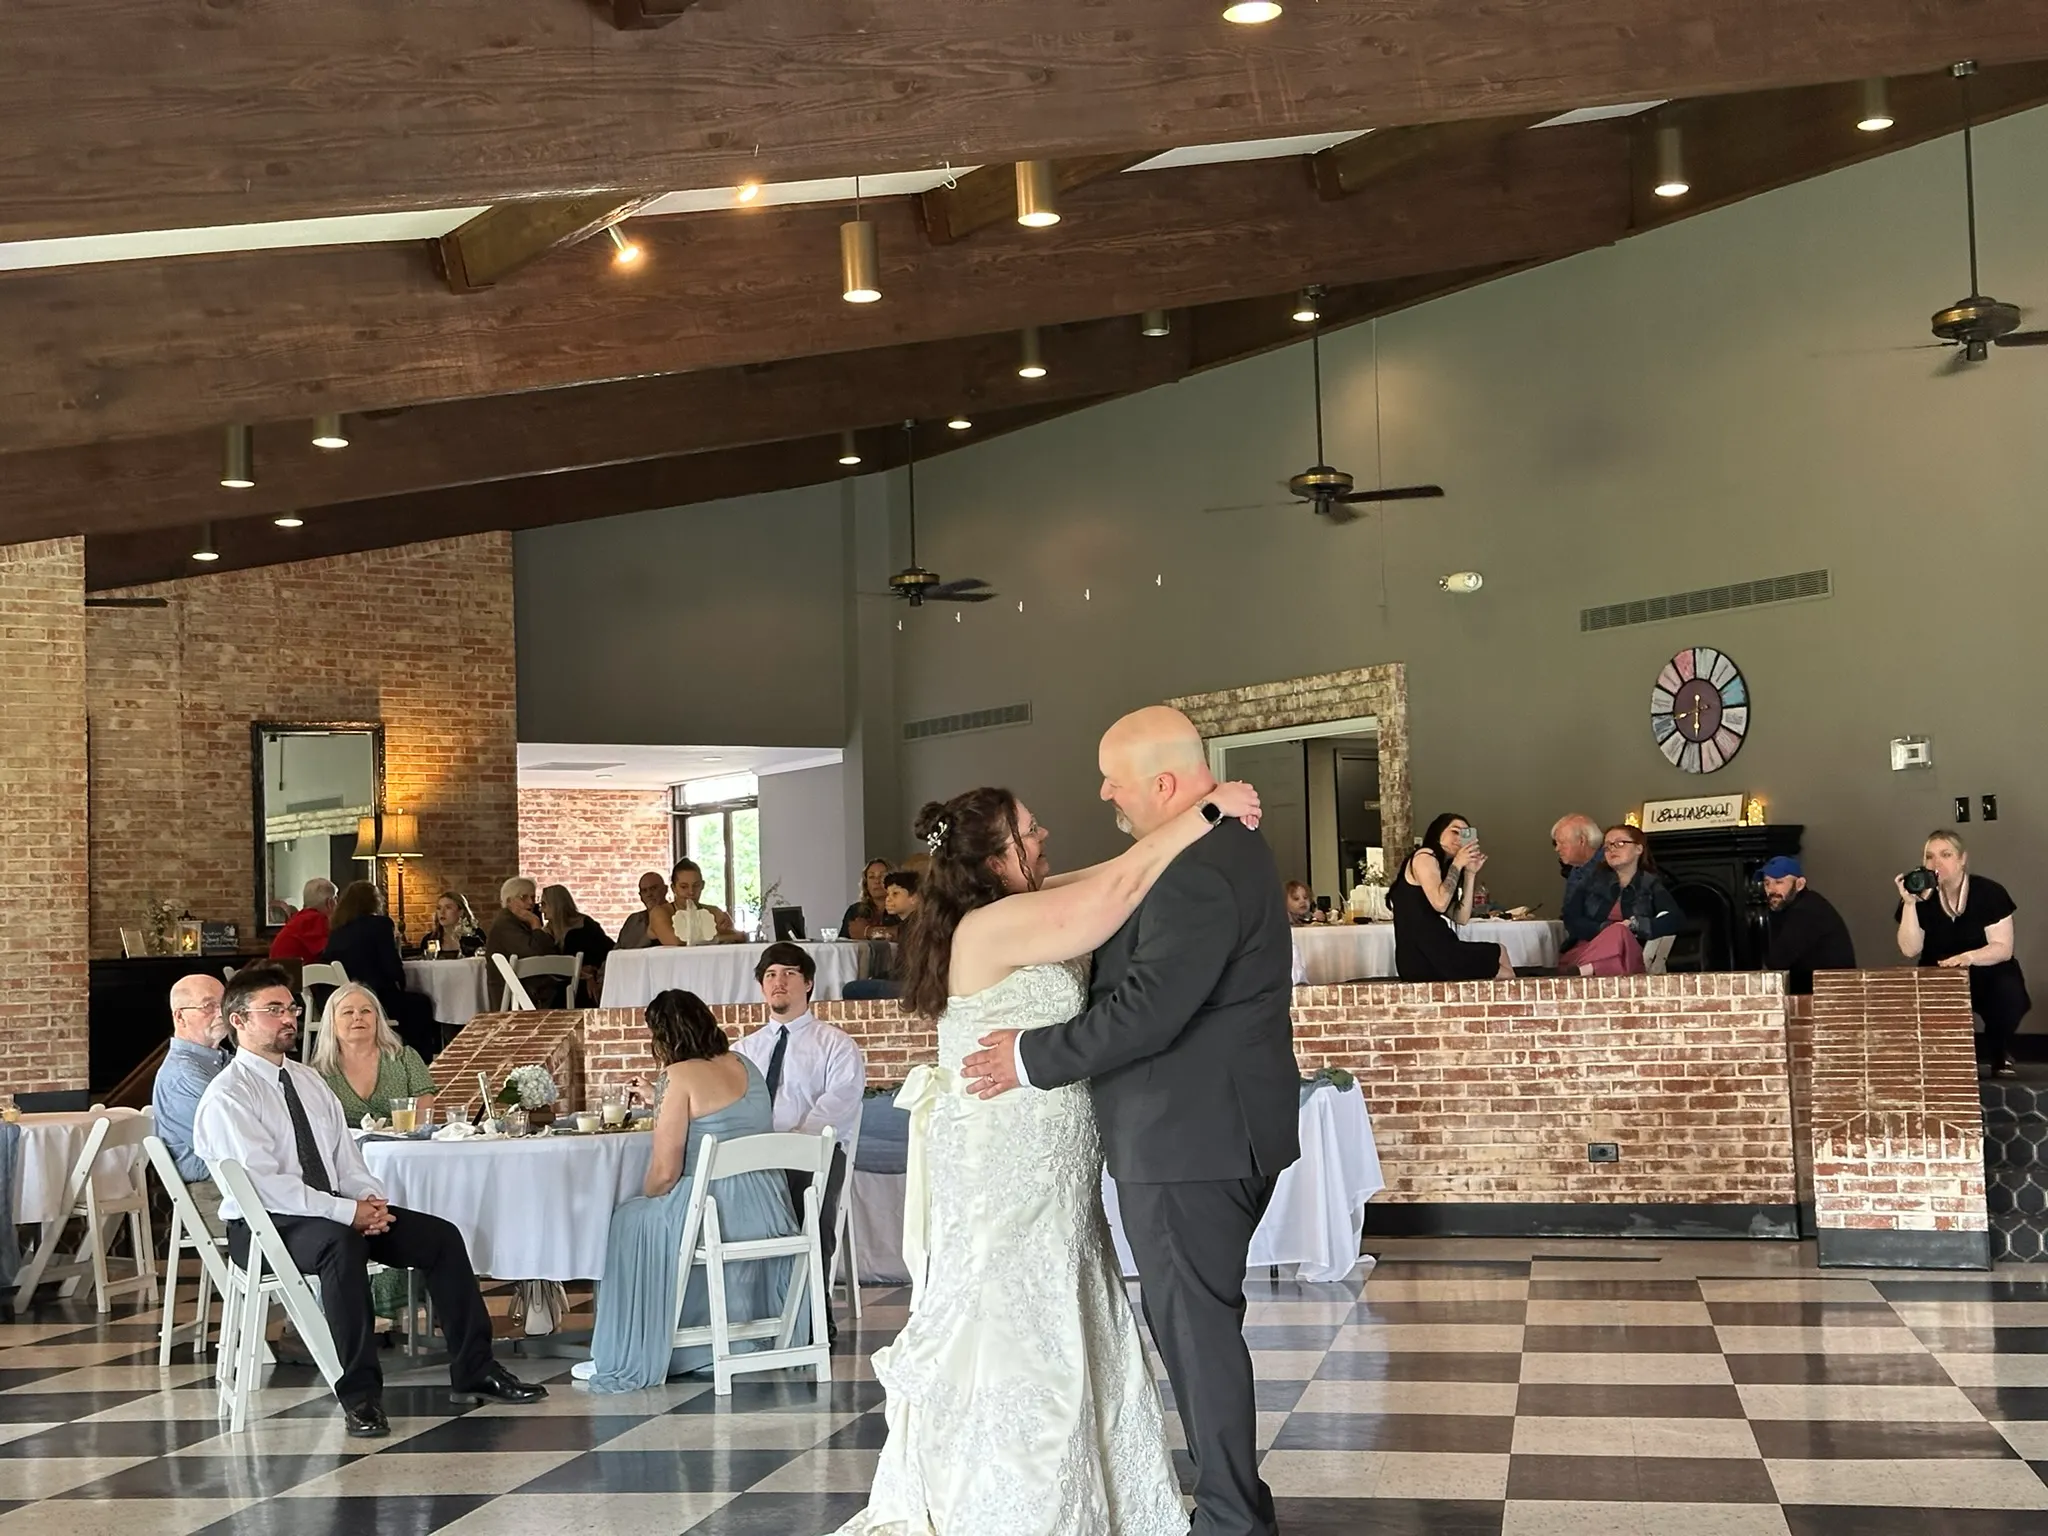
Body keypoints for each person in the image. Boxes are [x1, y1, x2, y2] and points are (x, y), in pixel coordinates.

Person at [854, 705, 1279, 1536]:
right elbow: (1120, 887)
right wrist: (1204, 809)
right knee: (1016, 1319)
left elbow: (1115, 873)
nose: (1049, 832)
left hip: (1069, 1151)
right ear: (995, 859)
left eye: (1112, 781)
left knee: (1085, 1311)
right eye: (1029, 831)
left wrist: (1202, 813)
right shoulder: (998, 922)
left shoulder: (1027, 897)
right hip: (1011, 1150)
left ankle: (1188, 1505)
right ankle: (1008, 1499)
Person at [191, 964, 544, 1437]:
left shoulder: (308, 1081)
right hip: (263, 1226)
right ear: (239, 1021)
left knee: (439, 1237)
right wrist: (346, 1213)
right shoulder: (228, 1095)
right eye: (273, 1011)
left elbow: (344, 1156)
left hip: (330, 1212)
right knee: (342, 1244)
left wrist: (368, 1201)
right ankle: (360, 1397)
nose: (289, 1019)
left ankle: (475, 1368)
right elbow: (265, 1186)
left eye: (291, 1008)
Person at [573, 990, 804, 1390]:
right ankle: (725, 1335)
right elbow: (722, 1114)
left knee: (628, 1221)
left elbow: (665, 1172)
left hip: (715, 1211)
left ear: (663, 1036)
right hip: (768, 1209)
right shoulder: (746, 1064)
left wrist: (643, 1197)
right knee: (648, 1218)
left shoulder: (676, 1076)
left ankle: (629, 1350)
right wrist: (659, 1098)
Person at [731, 942, 864, 1342]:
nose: (779, 982)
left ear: (807, 983)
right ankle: (749, 1317)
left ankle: (811, 1317)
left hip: (814, 1154)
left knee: (810, 1219)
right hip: (753, 1155)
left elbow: (839, 1101)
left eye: (788, 973)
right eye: (770, 975)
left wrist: (794, 1143)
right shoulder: (743, 1051)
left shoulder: (835, 1044)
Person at [1896, 829, 2031, 1078]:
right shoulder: (1921, 894)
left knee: (2009, 997)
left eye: (1945, 854)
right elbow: (1910, 949)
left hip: (1988, 970)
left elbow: (2002, 948)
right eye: (1929, 856)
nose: (1936, 863)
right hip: (1939, 974)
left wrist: (1967, 958)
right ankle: (1946, 1063)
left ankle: (1999, 1052)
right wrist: (1910, 904)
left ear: (1962, 859)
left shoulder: (1989, 892)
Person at [321, 879, 443, 1060]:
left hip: (342, 999)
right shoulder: (379, 925)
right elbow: (391, 966)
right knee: (421, 1004)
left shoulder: (337, 930)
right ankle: (419, 1060)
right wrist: (401, 982)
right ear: (374, 901)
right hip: (374, 998)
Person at [151, 973, 230, 1232]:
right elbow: (230, 1140)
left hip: (241, 1185)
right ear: (180, 1016)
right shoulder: (183, 1074)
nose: (220, 1013)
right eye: (209, 1006)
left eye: (224, 1003)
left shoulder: (222, 1061)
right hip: (216, 1195)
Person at [1392, 813, 1513, 981]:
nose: (1459, 839)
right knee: (1504, 971)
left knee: (1500, 951)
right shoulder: (1424, 856)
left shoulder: (1442, 869)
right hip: (1428, 954)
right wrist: (1457, 863)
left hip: (1434, 950)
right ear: (1438, 832)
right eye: (1454, 831)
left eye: (1465, 834)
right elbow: (1440, 904)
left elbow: (1461, 918)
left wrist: (1470, 873)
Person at [1561, 824, 1683, 975]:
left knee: (1621, 934)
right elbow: (1571, 919)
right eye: (1607, 846)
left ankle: (1583, 972)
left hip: (1628, 952)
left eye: (1619, 843)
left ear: (1639, 849)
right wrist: (1606, 930)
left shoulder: (1650, 884)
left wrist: (1636, 926)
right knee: (1617, 935)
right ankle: (1587, 969)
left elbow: (1675, 919)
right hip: (1586, 950)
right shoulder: (1590, 881)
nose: (1612, 849)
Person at [312, 982, 439, 1125]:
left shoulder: (405, 1058)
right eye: (348, 1012)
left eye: (366, 1011)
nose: (358, 1017)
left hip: (403, 1144)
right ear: (332, 1023)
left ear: (377, 1019)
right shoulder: (318, 1072)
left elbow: (424, 1120)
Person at [1761, 855, 1856, 995]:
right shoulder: (1804, 905)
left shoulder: (1806, 911)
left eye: (1779, 882)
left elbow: (1776, 962)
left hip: (1828, 1001)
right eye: (1767, 883)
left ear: (1800, 884)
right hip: (1822, 998)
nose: (1771, 890)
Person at [485, 876, 562, 1009]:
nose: (531, 903)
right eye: (523, 897)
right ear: (509, 901)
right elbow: (534, 953)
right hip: (512, 995)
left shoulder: (523, 921)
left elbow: (551, 950)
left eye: (533, 897)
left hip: (529, 991)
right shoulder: (505, 924)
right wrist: (536, 924)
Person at [541, 884, 614, 1006]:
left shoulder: (584, 926)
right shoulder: (547, 932)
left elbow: (608, 951)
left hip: (586, 985)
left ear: (556, 905)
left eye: (544, 904)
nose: (541, 910)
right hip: (561, 985)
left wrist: (590, 972)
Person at [651, 858, 738, 946]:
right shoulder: (660, 913)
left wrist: (728, 933)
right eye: (684, 887)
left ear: (702, 885)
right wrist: (718, 936)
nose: (691, 892)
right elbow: (675, 942)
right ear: (673, 888)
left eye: (696, 886)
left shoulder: (714, 912)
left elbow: (739, 937)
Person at [269, 877, 337, 962]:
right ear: (330, 903)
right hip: (292, 973)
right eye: (336, 898)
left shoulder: (300, 918)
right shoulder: (316, 920)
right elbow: (332, 953)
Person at [1552, 812, 1605, 908]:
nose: (1557, 849)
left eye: (1562, 843)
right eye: (1557, 843)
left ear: (1582, 841)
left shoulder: (1609, 867)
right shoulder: (1576, 869)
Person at [839, 858, 892, 940]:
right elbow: (843, 943)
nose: (877, 881)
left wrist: (867, 931)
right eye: (871, 877)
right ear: (865, 883)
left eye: (882, 876)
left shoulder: (903, 910)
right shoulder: (854, 911)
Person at [615, 871, 669, 949]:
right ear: (640, 896)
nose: (649, 894)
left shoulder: (677, 915)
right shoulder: (633, 921)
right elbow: (618, 951)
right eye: (644, 891)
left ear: (665, 890)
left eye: (653, 888)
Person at [418, 892, 480, 957]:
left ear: (461, 912)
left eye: (448, 907)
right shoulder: (430, 939)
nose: (442, 912)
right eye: (439, 908)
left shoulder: (475, 937)